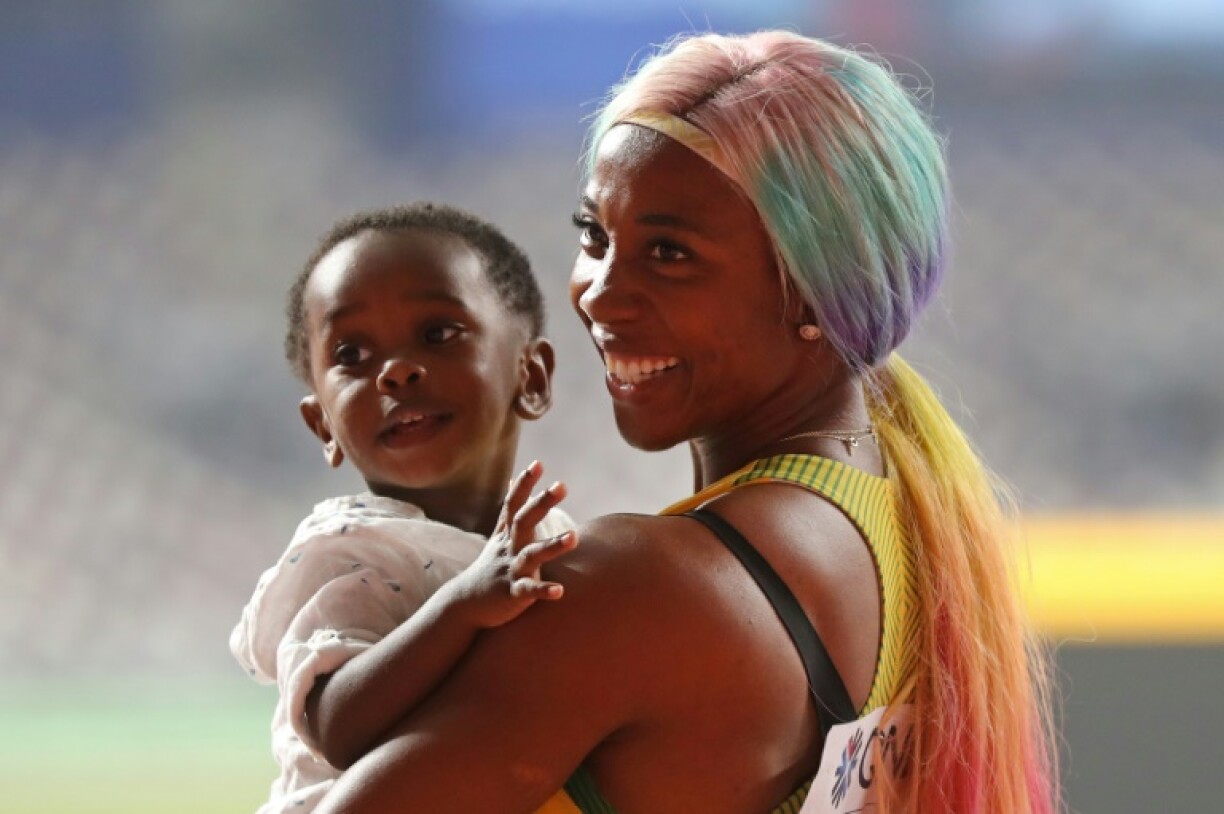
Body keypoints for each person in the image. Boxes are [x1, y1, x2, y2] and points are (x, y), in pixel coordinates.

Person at [315, 31, 1059, 814]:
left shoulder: (639, 587)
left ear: (810, 291)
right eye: (595, 236)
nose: (599, 294)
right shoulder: (903, 512)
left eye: (668, 252)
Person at [230, 203, 577, 814]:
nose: (396, 372)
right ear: (324, 427)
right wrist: (462, 606)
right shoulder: (350, 553)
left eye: (438, 334)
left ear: (533, 375)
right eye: (351, 356)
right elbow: (338, 727)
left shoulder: (543, 531)